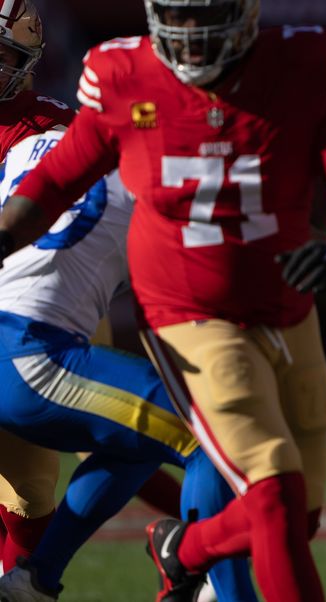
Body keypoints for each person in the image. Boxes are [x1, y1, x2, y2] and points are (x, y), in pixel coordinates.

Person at [0, 0, 326, 599]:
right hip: (91, 336)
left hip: (50, 338)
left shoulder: (292, 66)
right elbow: (72, 191)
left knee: (283, 507)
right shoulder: (118, 116)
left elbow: (323, 188)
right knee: (233, 462)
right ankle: (214, 588)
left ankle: (116, 564)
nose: (190, 38)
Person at [0, 0, 194, 583]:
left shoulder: (51, 129)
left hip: (28, 308)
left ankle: (187, 543)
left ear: (25, 60)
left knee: (31, 491)